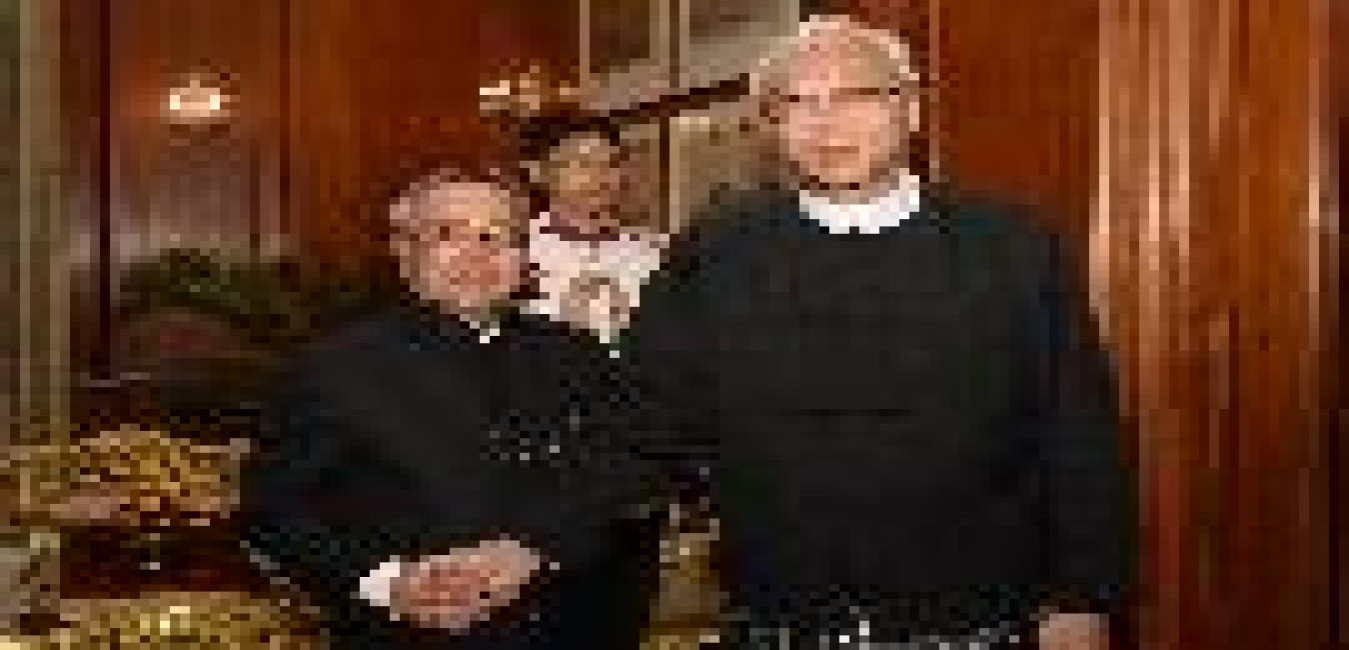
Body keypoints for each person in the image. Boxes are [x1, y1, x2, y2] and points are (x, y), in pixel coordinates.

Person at [627, 15, 1136, 650]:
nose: (825, 124)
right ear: (771, 127)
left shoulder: (1011, 247)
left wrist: (1085, 597)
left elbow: (1079, 431)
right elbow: (644, 418)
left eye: (853, 95)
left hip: (977, 618)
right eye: (796, 104)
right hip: (781, 617)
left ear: (910, 109)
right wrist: (536, 534)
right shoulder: (716, 251)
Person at [238, 170, 660, 650]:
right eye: (448, 235)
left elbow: (633, 474)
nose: (476, 255)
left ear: (523, 257)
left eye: (496, 237)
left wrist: (540, 548)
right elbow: (272, 509)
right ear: (404, 251)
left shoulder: (579, 356)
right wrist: (388, 584)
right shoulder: (336, 367)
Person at [526, 125, 667, 346]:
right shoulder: (516, 249)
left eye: (611, 164)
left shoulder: (652, 248)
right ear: (539, 172)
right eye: (584, 164)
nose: (600, 177)